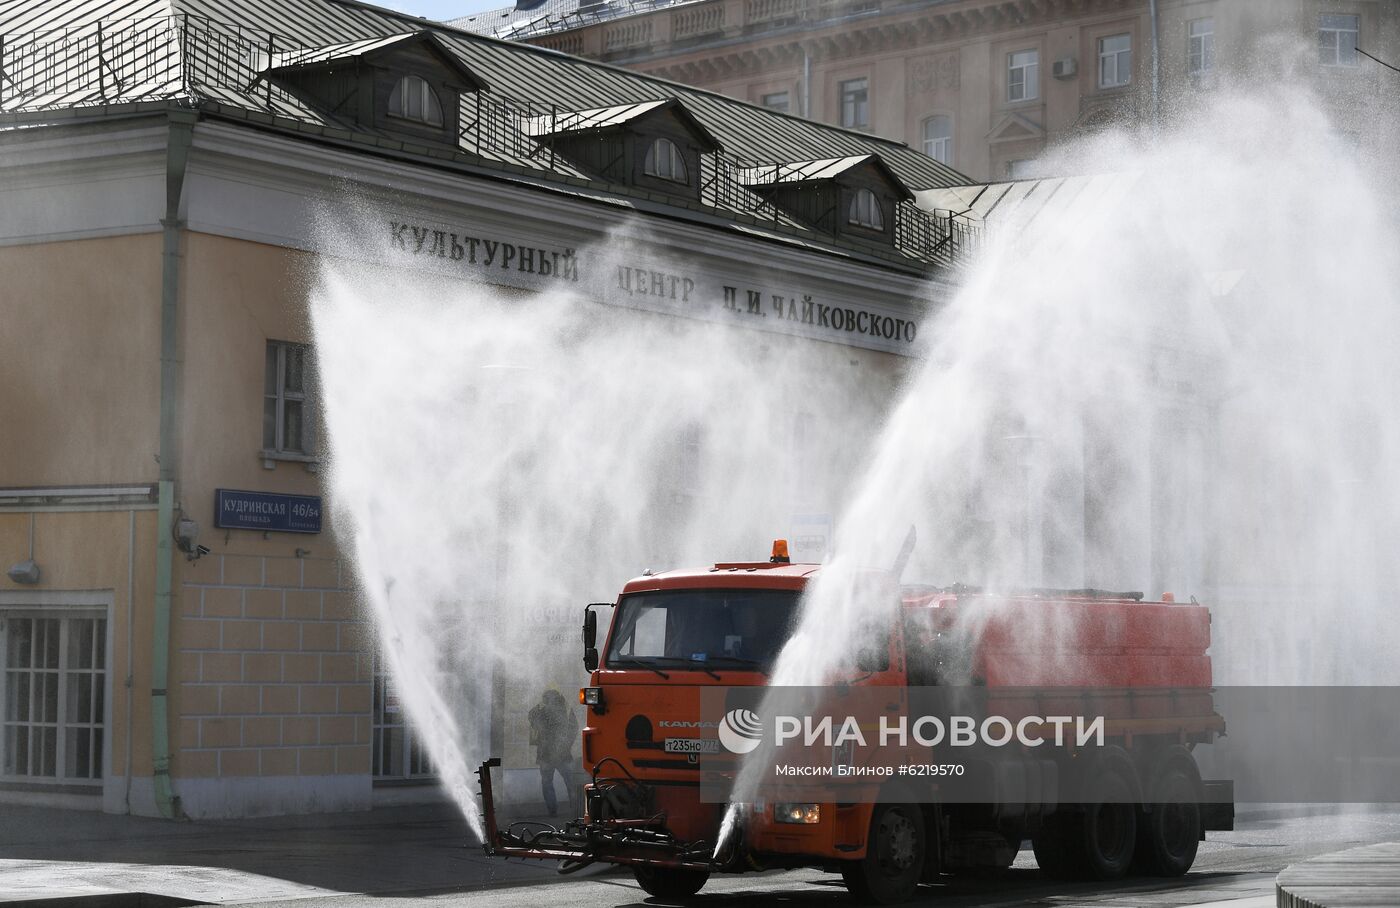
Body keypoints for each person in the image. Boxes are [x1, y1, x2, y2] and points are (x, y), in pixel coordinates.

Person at [528, 689, 578, 816]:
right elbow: (574, 728)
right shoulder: (566, 711)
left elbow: (532, 718)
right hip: (564, 754)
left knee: (547, 783)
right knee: (571, 783)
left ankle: (552, 811)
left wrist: (538, 706)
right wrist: (567, 744)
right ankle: (577, 809)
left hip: (546, 754)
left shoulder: (541, 712)